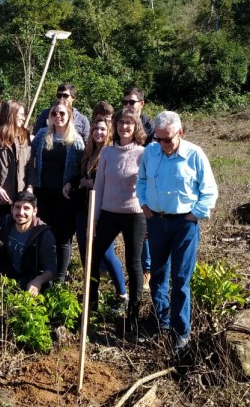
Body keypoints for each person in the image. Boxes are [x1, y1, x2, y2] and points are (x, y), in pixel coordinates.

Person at [137, 111, 218, 352]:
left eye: (167, 139)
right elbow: (141, 180)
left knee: (181, 278)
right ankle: (161, 322)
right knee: (157, 274)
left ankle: (181, 331)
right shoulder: (150, 153)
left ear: (180, 133)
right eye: (158, 139)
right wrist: (143, 203)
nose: (163, 144)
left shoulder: (194, 155)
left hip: (184, 224)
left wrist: (194, 215)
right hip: (156, 222)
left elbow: (210, 191)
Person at [89, 109, 147, 322]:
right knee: (94, 256)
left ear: (135, 127)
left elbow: (147, 185)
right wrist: (94, 219)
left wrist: (149, 213)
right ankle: (91, 305)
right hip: (108, 212)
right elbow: (99, 185)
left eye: (129, 123)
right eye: (121, 122)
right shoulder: (107, 153)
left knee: (133, 263)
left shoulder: (143, 153)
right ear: (116, 125)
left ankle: (133, 311)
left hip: (134, 214)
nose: (125, 127)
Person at [72, 116, 126, 305]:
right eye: (96, 129)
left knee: (105, 252)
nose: (98, 133)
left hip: (103, 208)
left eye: (103, 129)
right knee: (85, 253)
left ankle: (121, 293)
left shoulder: (110, 153)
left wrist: (88, 182)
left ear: (109, 131)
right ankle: (91, 297)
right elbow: (80, 175)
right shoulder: (89, 152)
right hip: (83, 207)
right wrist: (76, 182)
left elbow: (109, 181)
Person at [30, 99, 85, 283]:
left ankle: (60, 278)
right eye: (54, 113)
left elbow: (80, 170)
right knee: (43, 234)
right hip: (42, 193)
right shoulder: (41, 136)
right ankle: (44, 272)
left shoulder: (76, 142)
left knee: (62, 237)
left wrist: (71, 183)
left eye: (62, 113)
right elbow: (30, 159)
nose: (58, 117)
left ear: (69, 115)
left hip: (64, 197)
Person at [0, 191, 55, 296]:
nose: (21, 212)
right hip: (6, 273)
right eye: (17, 207)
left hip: (30, 277)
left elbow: (51, 270)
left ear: (35, 211)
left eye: (26, 208)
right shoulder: (2, 224)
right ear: (12, 209)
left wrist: (38, 281)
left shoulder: (43, 234)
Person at [0, 100, 32, 245]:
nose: (23, 117)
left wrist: (30, 186)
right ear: (11, 115)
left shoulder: (25, 135)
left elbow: (30, 164)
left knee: (18, 235)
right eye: (20, 114)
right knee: (0, 236)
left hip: (20, 197)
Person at [122, 86, 154, 290]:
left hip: (145, 184)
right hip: (124, 184)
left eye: (131, 102)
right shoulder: (121, 121)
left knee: (144, 232)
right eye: (125, 102)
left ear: (141, 104)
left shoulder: (150, 127)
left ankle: (147, 271)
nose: (127, 106)